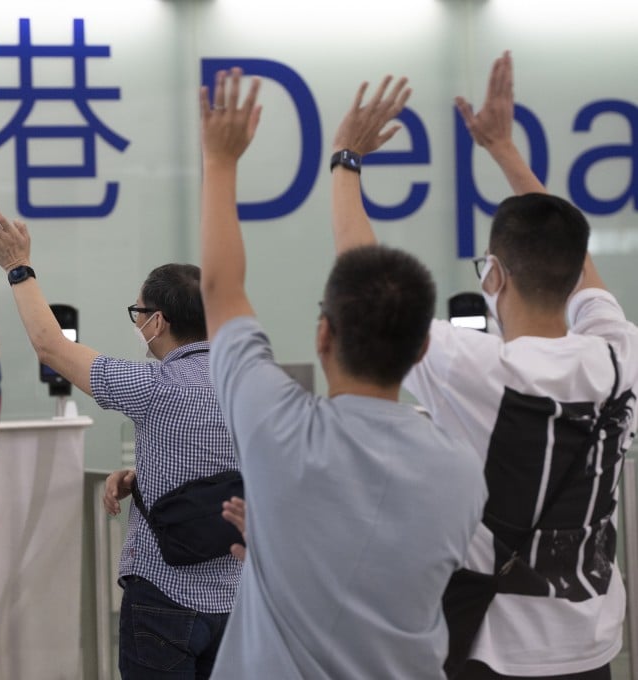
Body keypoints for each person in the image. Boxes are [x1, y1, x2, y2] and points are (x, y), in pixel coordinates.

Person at [332, 54, 638, 680]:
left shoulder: (478, 369)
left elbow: (367, 281)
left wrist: (345, 160)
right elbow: (570, 250)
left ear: (494, 276)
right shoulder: (620, 353)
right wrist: (504, 151)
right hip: (594, 647)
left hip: (497, 654)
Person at [198, 68, 486, 679]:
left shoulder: (276, 432)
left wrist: (221, 162)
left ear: (322, 334)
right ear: (418, 354)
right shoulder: (461, 472)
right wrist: (345, 161)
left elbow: (221, 289)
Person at [0, 208, 240, 678]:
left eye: (138, 313)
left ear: (157, 322)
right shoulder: (247, 383)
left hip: (166, 597)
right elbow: (228, 467)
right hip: (237, 600)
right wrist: (146, 476)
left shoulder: (154, 384)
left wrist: (18, 267)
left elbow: (51, 346)